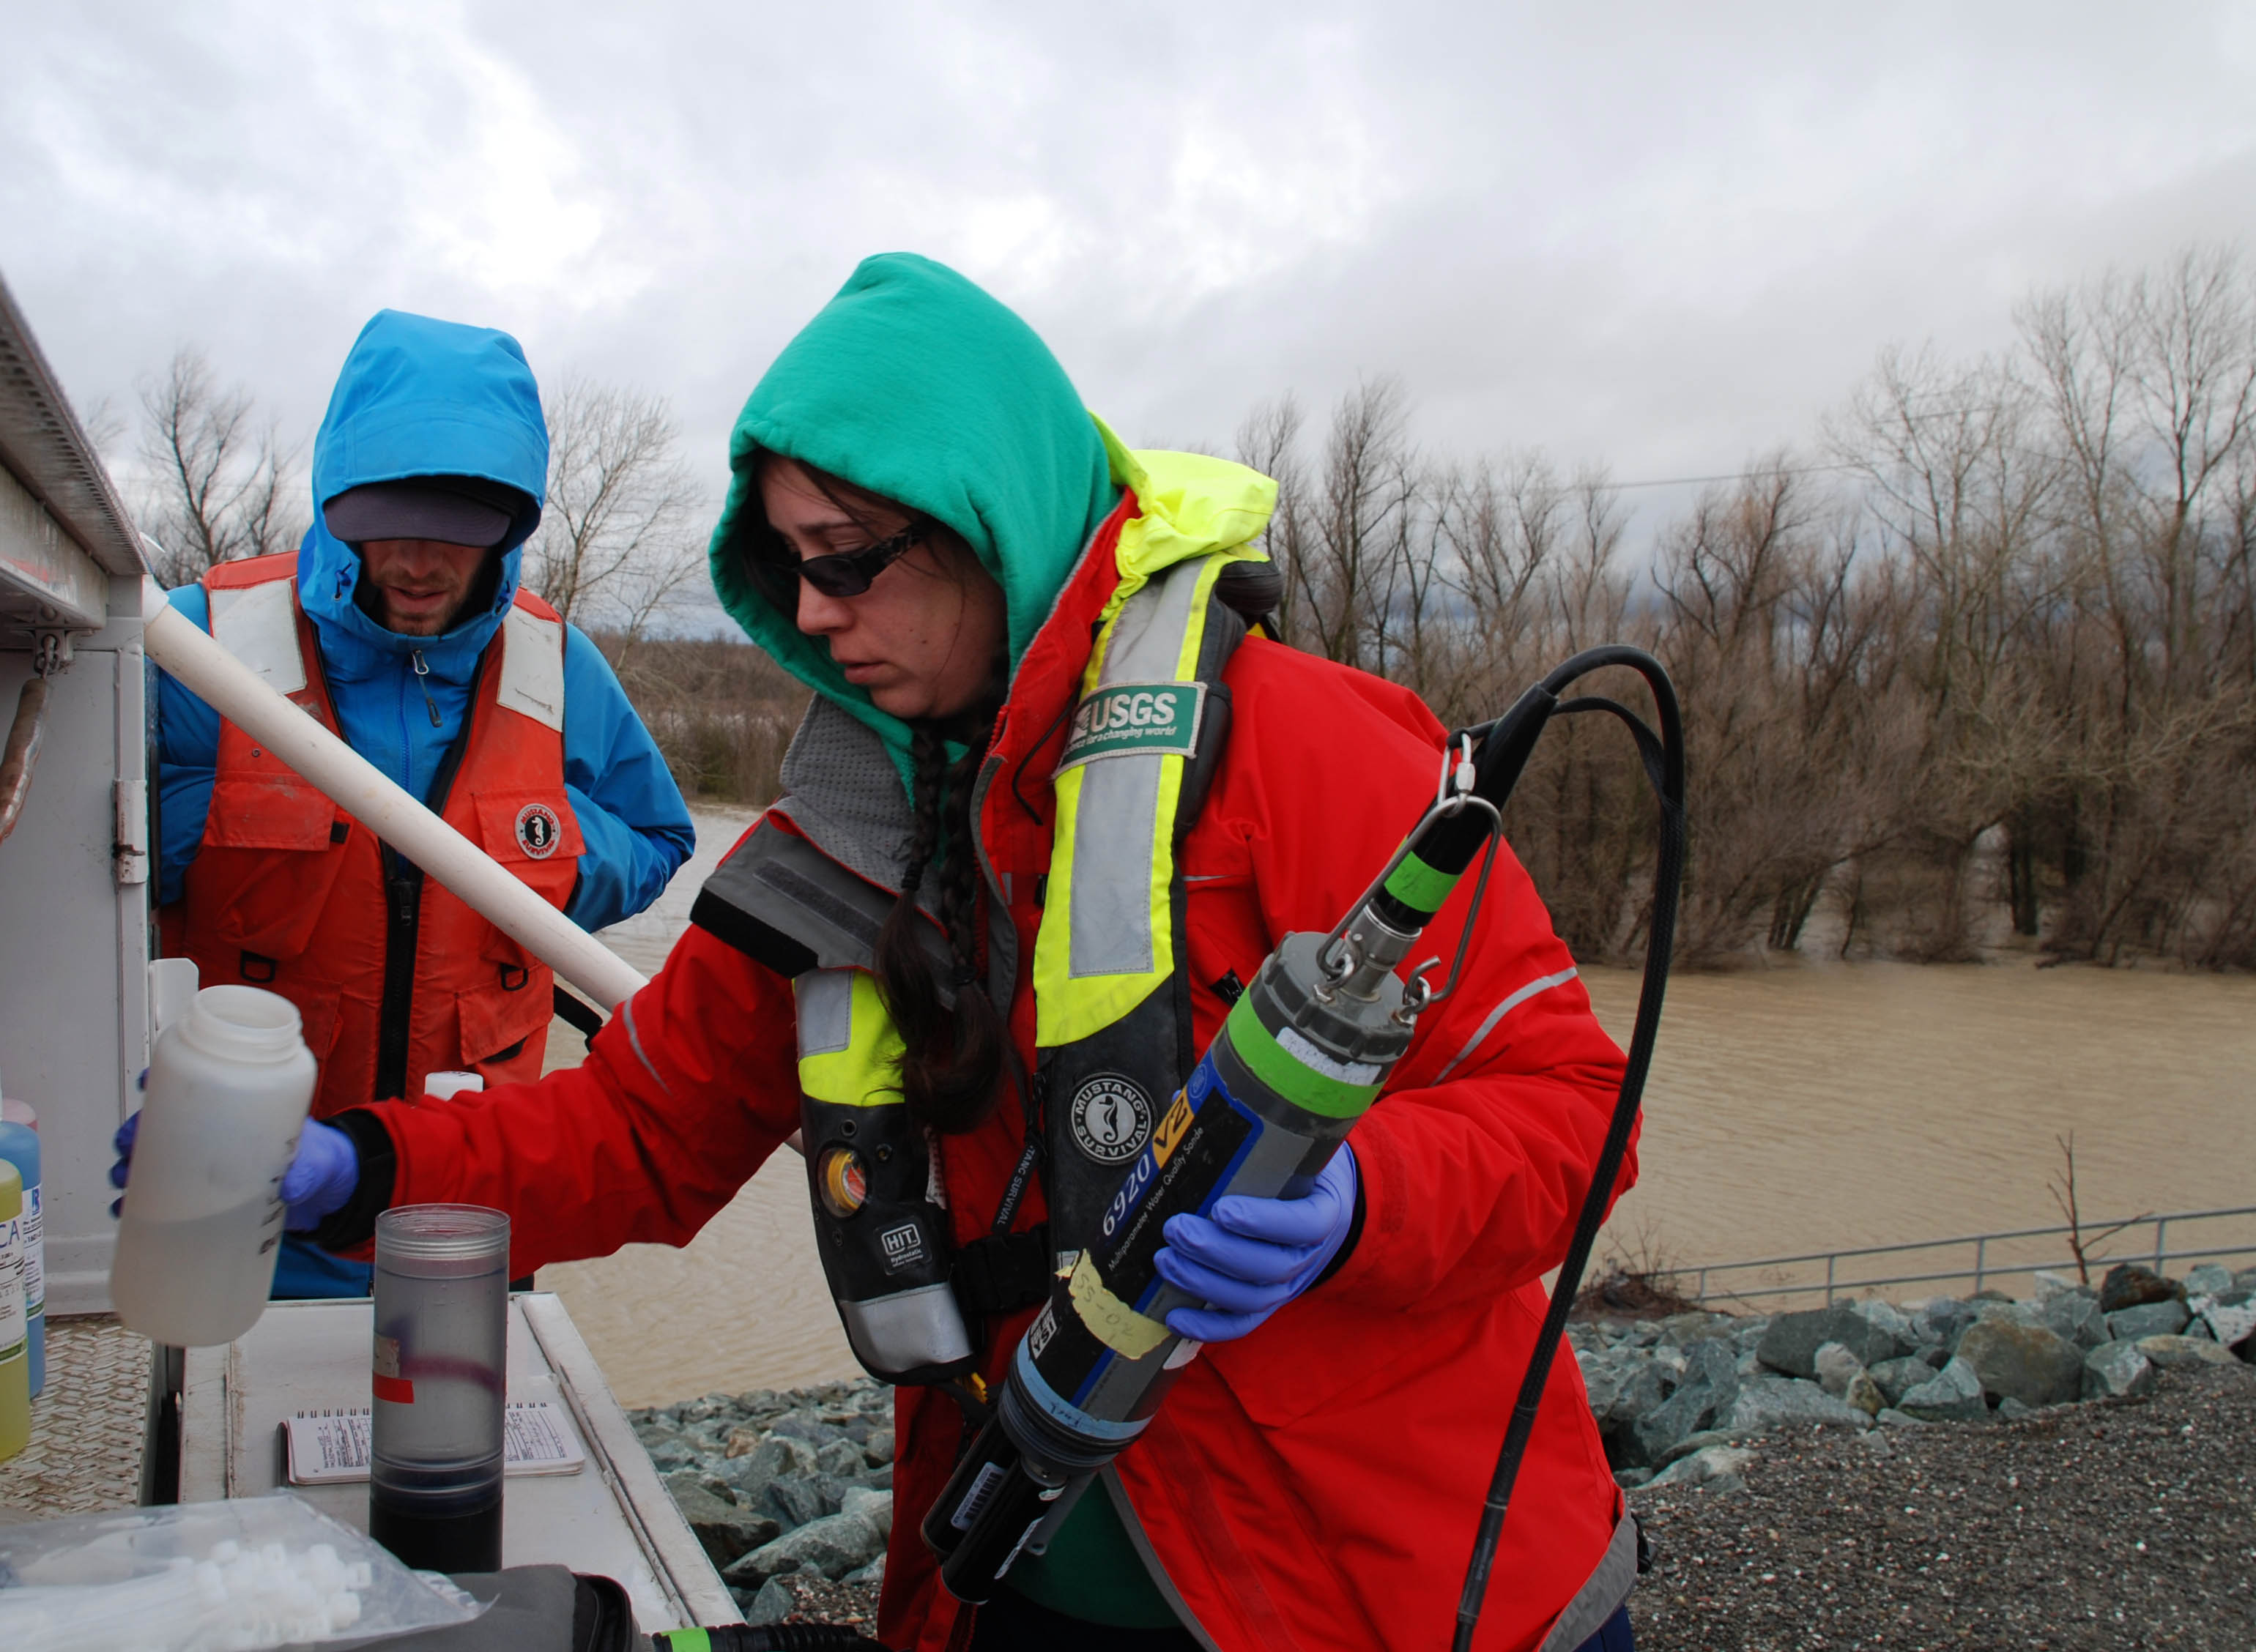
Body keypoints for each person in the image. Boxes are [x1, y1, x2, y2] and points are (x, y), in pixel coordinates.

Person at [223, 258, 1640, 1649]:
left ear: (992, 524)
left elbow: (1580, 1114)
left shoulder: (1310, 750)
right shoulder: (825, 850)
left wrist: (1359, 1203)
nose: (816, 612)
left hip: (1405, 1592)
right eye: (788, 567)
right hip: (1009, 1570)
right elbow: (636, 1135)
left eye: (847, 559)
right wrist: (370, 1167)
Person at [150, 309, 696, 1297]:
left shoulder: (560, 665)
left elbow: (661, 835)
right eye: (387, 522)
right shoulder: (195, 642)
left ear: (510, 525)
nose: (416, 563)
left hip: (466, 1204)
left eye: (456, 533)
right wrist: (208, 825)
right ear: (336, 499)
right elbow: (78, 856)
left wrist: (536, 856)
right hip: (242, 1204)